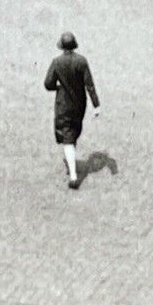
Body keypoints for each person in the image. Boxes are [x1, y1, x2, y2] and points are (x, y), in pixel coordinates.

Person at [43, 30, 99, 190]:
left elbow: (48, 84)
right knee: (73, 133)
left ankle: (73, 176)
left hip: (63, 105)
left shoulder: (56, 62)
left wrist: (58, 86)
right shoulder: (82, 61)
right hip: (80, 104)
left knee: (67, 136)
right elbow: (89, 84)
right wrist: (96, 105)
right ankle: (72, 163)